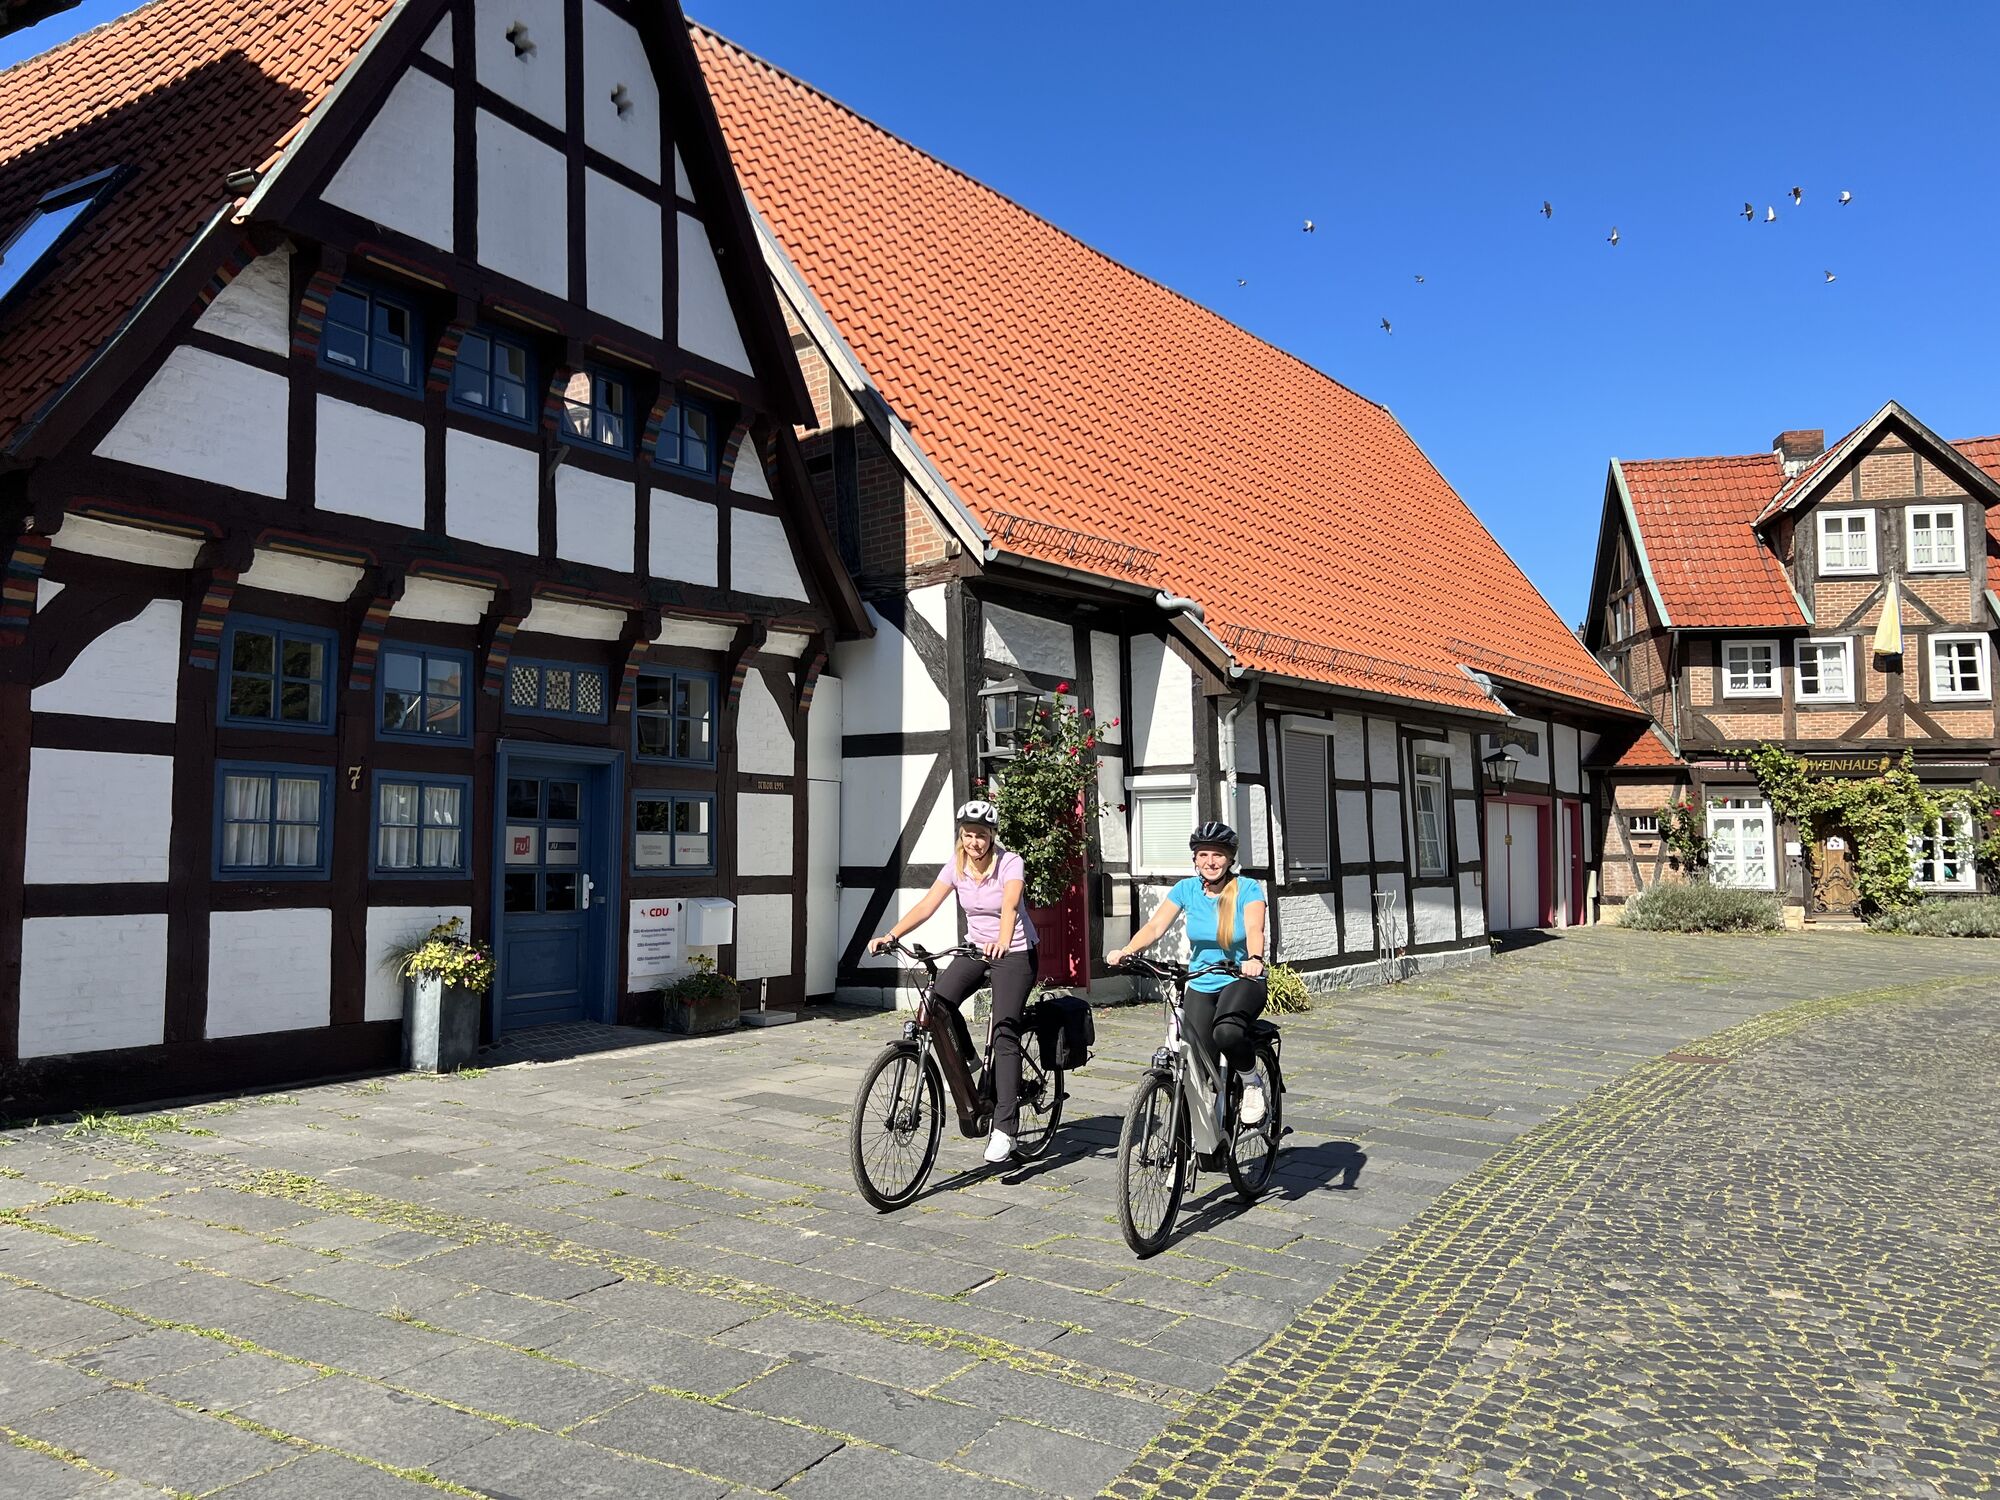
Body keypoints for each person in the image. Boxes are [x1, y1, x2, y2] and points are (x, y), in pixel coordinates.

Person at [869, 800, 1039, 1164]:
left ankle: (1005, 1130)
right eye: (968, 835)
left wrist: (1003, 940)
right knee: (935, 1004)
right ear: (961, 835)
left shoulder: (1010, 862)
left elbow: (1010, 905)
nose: (974, 842)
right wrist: (891, 935)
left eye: (981, 835)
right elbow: (928, 905)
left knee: (1004, 1033)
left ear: (992, 836)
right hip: (976, 949)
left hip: (1014, 951)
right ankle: (971, 1059)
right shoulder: (957, 864)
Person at [1105, 821, 1270, 1124]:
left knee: (1226, 1032)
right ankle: (1200, 1132)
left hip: (1242, 979)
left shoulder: (1247, 889)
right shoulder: (1187, 889)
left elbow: (1254, 928)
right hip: (1201, 981)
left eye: (1218, 855)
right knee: (1195, 1061)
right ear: (1195, 858)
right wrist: (1127, 951)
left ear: (1230, 859)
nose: (1210, 862)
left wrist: (1254, 958)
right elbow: (1155, 927)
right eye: (1203, 854)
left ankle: (1251, 1082)